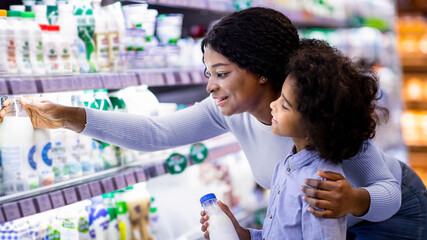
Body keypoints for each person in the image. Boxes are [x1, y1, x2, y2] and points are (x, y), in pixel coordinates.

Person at [1, 7, 425, 239]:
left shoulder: (321, 114)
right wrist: (70, 116)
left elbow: (386, 192)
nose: (210, 87)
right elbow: (156, 133)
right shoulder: (236, 114)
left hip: (394, 215)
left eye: (221, 74)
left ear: (261, 71)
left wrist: (354, 201)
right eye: (208, 73)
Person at [202, 37, 387, 239]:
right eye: (279, 97)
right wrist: (243, 235)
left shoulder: (319, 184)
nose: (273, 104)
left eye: (284, 105)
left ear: (313, 123)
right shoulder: (286, 166)